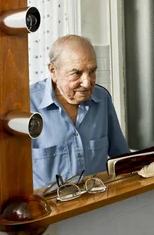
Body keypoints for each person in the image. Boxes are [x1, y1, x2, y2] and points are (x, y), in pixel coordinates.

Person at [30, 35, 129, 189]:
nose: (87, 82)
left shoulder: (102, 99)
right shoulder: (27, 105)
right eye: (76, 73)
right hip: (50, 210)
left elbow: (123, 158)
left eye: (92, 71)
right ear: (53, 71)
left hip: (99, 202)